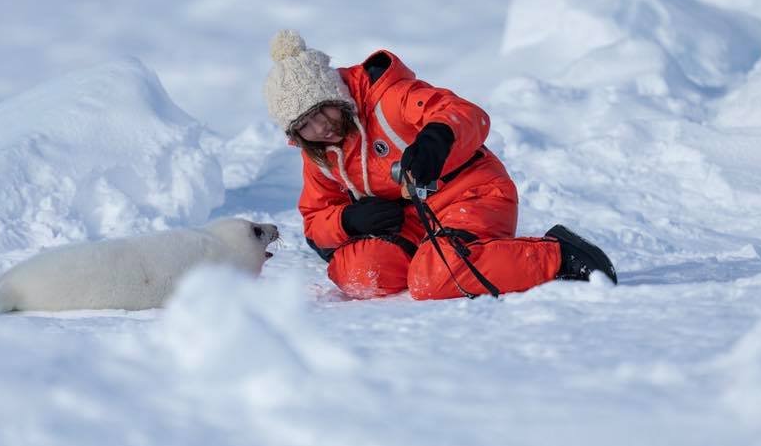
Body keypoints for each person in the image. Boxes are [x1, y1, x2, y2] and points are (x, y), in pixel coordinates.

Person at [263, 29, 617, 299]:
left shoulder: (390, 99)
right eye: (304, 124)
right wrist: (348, 220)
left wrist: (436, 141)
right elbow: (315, 220)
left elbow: (464, 114)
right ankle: (437, 254)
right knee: (360, 272)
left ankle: (560, 256)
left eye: (320, 111)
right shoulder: (322, 155)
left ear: (334, 94)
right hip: (414, 223)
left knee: (434, 277)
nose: (320, 127)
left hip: (471, 195)